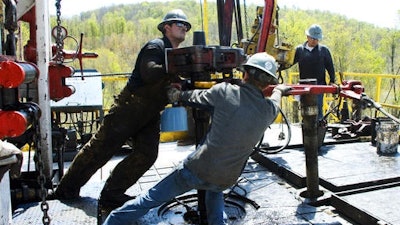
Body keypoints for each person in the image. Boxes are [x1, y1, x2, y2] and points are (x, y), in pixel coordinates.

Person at [103, 52, 292, 225]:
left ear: (245, 74)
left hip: (197, 169)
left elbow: (192, 97)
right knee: (214, 188)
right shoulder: (269, 110)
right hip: (227, 178)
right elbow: (276, 98)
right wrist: (280, 90)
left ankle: (112, 221)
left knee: (150, 199)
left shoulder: (224, 91)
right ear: (268, 83)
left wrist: (176, 94)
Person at [54, 9, 192, 211]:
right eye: (178, 24)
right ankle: (66, 190)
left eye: (186, 26)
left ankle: (112, 193)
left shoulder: (174, 55)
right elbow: (149, 72)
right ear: (166, 27)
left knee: (147, 154)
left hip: (150, 112)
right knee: (100, 150)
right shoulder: (156, 46)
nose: (184, 28)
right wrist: (178, 68)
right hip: (129, 108)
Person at [293, 24, 335, 119]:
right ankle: (307, 129)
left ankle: (319, 129)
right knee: (305, 110)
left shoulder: (324, 51)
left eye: (316, 39)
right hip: (304, 86)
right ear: (307, 36)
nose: (314, 41)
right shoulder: (299, 50)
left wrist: (332, 80)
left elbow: (330, 67)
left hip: (319, 86)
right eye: (312, 38)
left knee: (317, 109)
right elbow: (289, 62)